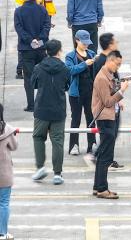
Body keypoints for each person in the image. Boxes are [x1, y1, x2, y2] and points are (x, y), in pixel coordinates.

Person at [31, 39, 70, 186]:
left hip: (41, 108)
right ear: (59, 51)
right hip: (58, 109)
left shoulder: (38, 67)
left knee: (38, 137)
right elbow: (67, 85)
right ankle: (57, 174)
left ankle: (40, 167)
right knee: (57, 141)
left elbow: (34, 84)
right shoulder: (64, 68)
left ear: (46, 51)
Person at [92, 50, 129, 199]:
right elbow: (107, 102)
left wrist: (118, 96)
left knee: (103, 154)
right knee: (105, 156)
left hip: (109, 117)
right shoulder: (102, 78)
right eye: (117, 64)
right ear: (110, 60)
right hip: (105, 118)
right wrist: (121, 91)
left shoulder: (108, 75)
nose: (118, 68)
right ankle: (102, 188)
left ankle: (98, 186)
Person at [91, 33, 125, 172]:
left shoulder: (110, 59)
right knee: (109, 134)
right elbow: (104, 85)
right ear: (110, 44)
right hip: (106, 105)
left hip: (113, 102)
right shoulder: (102, 61)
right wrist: (119, 93)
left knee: (113, 133)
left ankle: (107, 159)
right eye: (115, 41)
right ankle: (99, 157)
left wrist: (119, 98)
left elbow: (114, 80)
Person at [14, 0, 50, 112]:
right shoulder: (42, 10)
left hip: (26, 49)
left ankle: (31, 105)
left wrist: (30, 40)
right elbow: (46, 26)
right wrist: (38, 40)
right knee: (43, 76)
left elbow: (19, 28)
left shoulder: (18, 11)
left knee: (28, 77)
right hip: (40, 48)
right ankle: (43, 103)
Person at [66, 30, 97, 160]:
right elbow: (70, 70)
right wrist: (85, 64)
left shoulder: (92, 54)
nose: (86, 45)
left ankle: (92, 144)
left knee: (91, 118)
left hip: (90, 91)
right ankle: (74, 145)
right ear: (77, 40)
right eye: (83, 43)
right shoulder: (70, 56)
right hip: (76, 93)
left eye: (87, 43)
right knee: (76, 119)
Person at [0, 104, 17, 240]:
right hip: (4, 173)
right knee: (4, 203)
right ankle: (2, 233)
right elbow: (14, 146)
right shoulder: (7, 129)